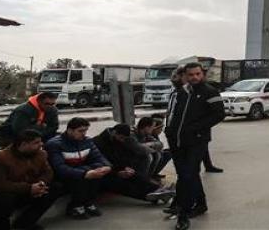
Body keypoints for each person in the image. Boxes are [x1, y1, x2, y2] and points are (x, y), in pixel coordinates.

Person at [165, 62, 225, 230]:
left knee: (186, 176)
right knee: (188, 175)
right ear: (186, 76)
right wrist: (169, 131)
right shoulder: (181, 92)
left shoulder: (209, 92)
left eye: (197, 74)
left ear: (202, 74)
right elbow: (173, 114)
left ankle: (182, 214)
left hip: (197, 142)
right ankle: (201, 204)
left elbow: (219, 114)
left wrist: (196, 128)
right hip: (176, 142)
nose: (195, 77)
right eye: (191, 75)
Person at [0, 129, 62, 230]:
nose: (41, 144)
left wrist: (40, 184)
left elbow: (48, 172)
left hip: (24, 190)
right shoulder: (0, 159)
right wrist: (29, 188)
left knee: (55, 188)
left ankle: (24, 224)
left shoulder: (41, 154)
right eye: (36, 143)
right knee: (3, 200)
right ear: (24, 144)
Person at [45, 117, 111, 220]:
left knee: (98, 173)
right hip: (62, 175)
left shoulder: (87, 141)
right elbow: (60, 168)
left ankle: (88, 203)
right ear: (70, 130)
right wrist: (84, 173)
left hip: (82, 169)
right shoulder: (55, 144)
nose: (84, 133)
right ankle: (75, 206)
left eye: (85, 130)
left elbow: (99, 157)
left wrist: (107, 166)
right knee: (81, 178)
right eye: (80, 131)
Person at [93, 123, 175, 204]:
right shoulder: (98, 142)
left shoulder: (116, 139)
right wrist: (117, 172)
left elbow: (119, 158)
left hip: (114, 168)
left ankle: (158, 190)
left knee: (134, 174)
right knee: (123, 184)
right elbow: (103, 162)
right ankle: (153, 196)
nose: (122, 140)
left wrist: (125, 168)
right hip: (104, 173)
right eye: (121, 138)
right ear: (114, 133)